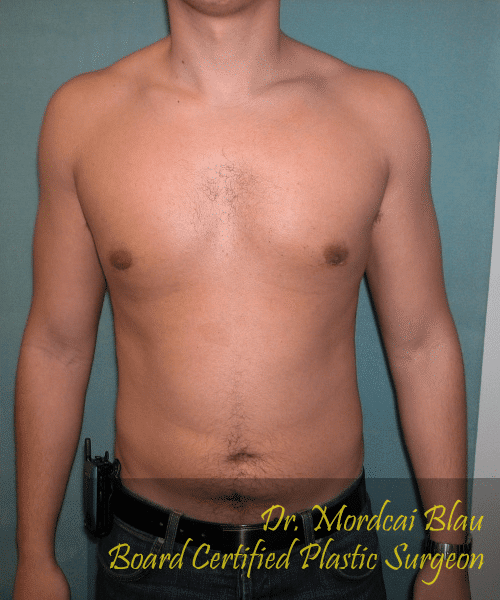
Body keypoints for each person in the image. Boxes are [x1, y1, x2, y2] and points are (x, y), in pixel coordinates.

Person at [14, 0, 471, 598]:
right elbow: (56, 348)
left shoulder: (378, 113)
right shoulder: (83, 117)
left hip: (330, 562)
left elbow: (422, 345)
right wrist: (34, 556)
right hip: (148, 560)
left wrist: (449, 552)